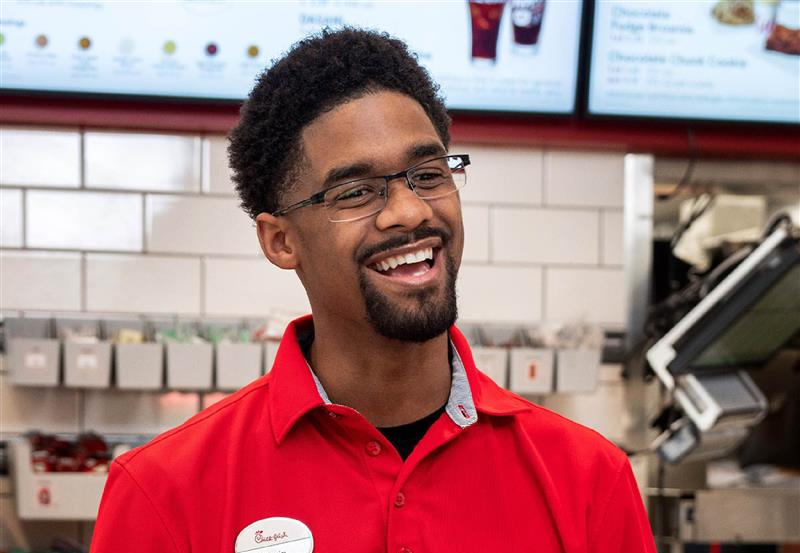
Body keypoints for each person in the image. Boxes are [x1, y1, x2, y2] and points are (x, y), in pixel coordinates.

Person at [91, 28, 656, 553]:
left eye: (429, 174)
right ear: (281, 241)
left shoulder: (587, 480)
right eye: (357, 192)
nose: (410, 211)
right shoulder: (164, 489)